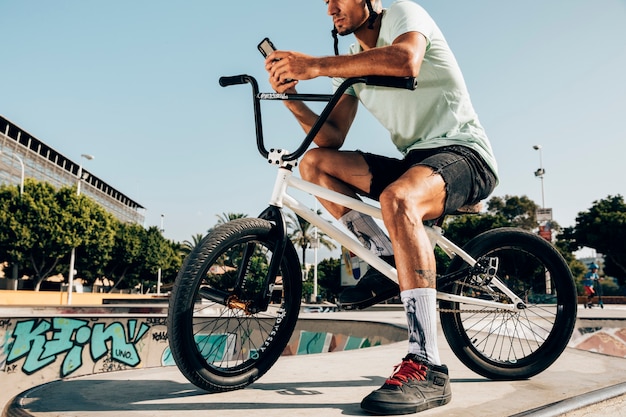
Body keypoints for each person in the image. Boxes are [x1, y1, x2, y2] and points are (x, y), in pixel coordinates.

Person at [264, 0, 498, 414]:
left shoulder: (404, 15)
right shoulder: (352, 62)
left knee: (399, 198)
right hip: (415, 161)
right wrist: (291, 99)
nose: (331, 8)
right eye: (326, 2)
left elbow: (407, 60)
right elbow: (330, 137)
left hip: (463, 153)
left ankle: (428, 365)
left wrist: (316, 64)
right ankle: (385, 254)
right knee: (315, 165)